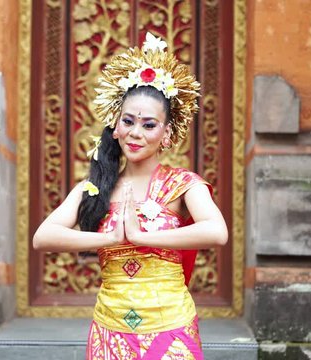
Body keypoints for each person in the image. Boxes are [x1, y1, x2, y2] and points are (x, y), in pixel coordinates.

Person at [33, 32, 228, 360]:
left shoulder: (182, 184)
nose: (136, 133)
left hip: (170, 331)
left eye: (149, 125)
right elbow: (43, 237)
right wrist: (108, 238)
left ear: (166, 134)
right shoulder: (94, 188)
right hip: (109, 331)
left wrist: (138, 235)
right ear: (116, 125)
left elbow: (216, 232)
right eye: (129, 121)